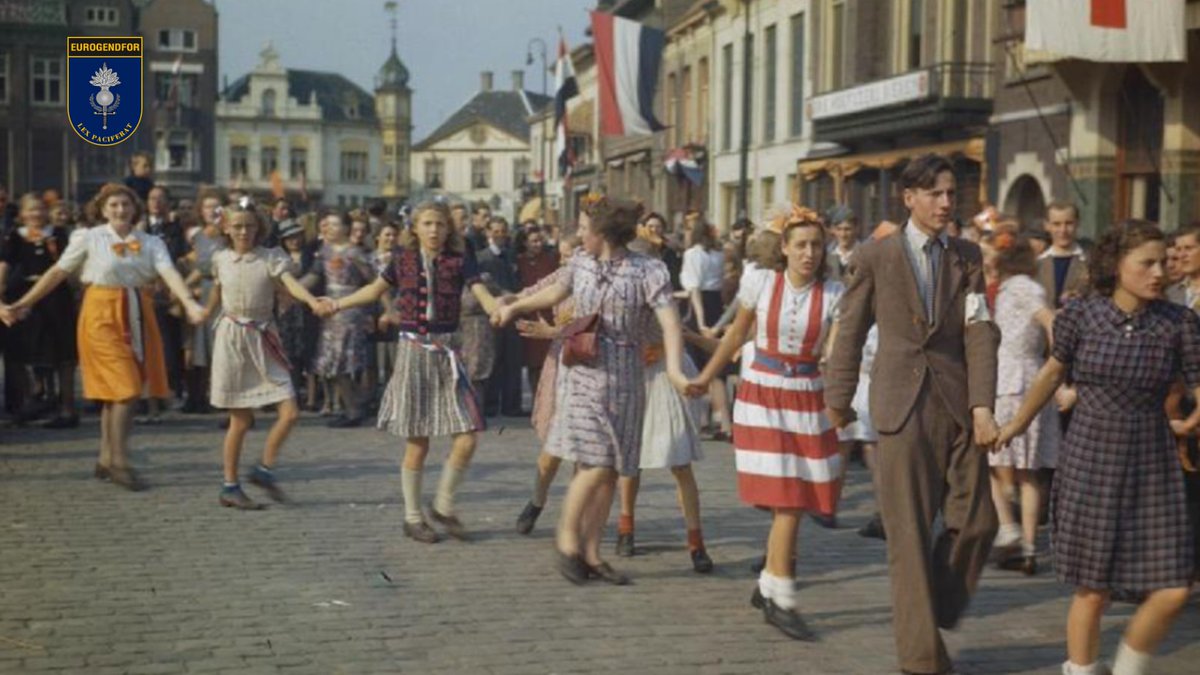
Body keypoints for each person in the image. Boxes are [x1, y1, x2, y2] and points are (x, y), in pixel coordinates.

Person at [825, 154, 1001, 675]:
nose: (947, 202)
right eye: (936, 194)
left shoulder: (966, 255)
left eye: (952, 193)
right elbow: (851, 332)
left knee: (979, 520)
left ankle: (941, 604)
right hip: (900, 406)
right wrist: (838, 401)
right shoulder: (875, 255)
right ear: (909, 198)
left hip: (958, 401)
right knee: (907, 534)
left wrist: (983, 405)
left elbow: (980, 333)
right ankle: (921, 659)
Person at [997, 220, 1197, 675]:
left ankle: (1127, 668)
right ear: (1116, 264)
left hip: (1153, 460)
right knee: (1093, 589)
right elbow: (1051, 374)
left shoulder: (1178, 323)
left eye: (1163, 262)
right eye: (1146, 263)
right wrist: (1016, 424)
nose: (1158, 272)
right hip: (1091, 456)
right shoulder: (1080, 315)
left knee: (1172, 588)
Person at [494, 195, 687, 586]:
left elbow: (669, 323)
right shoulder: (580, 262)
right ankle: (567, 539)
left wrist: (675, 369)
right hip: (583, 371)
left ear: (602, 234)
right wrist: (515, 307)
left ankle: (592, 552)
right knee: (594, 462)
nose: (579, 235)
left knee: (608, 470)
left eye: (585, 229)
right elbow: (552, 294)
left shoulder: (649, 270)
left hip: (627, 378)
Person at [687, 206, 844, 639]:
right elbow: (736, 337)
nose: (809, 253)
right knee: (789, 498)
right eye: (801, 245)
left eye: (816, 245)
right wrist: (704, 377)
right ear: (785, 249)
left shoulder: (833, 293)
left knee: (793, 498)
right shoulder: (762, 282)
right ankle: (782, 597)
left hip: (806, 397)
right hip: (762, 393)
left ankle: (767, 585)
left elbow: (835, 352)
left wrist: (840, 398)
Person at [0, 183, 205, 490]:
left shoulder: (150, 242)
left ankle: (106, 458)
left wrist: (189, 303)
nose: (120, 210)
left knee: (117, 391)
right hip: (100, 314)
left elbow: (169, 273)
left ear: (135, 208)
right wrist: (23, 303)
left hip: (137, 311)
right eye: (113, 206)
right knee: (126, 389)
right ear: (103, 209)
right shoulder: (89, 237)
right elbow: (58, 272)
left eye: (125, 204)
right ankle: (121, 463)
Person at [327, 201, 500, 543]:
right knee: (418, 440)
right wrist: (336, 303)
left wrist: (497, 309)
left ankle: (444, 506)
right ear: (416, 228)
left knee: (467, 436)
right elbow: (375, 291)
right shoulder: (402, 260)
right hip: (414, 352)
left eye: (440, 223)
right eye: (427, 223)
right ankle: (412, 517)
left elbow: (480, 292)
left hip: (448, 352)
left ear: (448, 228)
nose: (434, 230)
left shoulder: (460, 260)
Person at [204, 202, 325, 510]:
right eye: (238, 226)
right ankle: (230, 486)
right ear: (227, 229)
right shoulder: (220, 259)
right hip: (232, 338)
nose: (244, 231)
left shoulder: (271, 258)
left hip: (264, 336)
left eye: (250, 226)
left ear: (259, 228)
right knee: (240, 419)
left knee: (290, 411)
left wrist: (312, 301)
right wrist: (203, 312)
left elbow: (290, 284)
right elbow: (217, 291)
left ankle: (264, 469)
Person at [989, 234, 1059, 575]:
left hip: (1009, 379)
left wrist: (1061, 360)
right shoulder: (1028, 287)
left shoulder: (1019, 288)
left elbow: (1049, 320)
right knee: (1028, 471)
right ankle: (1028, 547)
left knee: (993, 455)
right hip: (1032, 377)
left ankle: (1008, 525)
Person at [0, 194, 78, 427]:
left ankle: (67, 408)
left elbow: (68, 265)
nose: (36, 214)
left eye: (41, 209)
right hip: (24, 296)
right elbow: (5, 263)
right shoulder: (14, 237)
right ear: (22, 214)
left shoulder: (58, 234)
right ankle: (30, 402)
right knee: (23, 351)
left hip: (57, 297)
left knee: (63, 352)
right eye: (31, 210)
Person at [311, 211, 374, 428]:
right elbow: (314, 276)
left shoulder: (354, 253)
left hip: (350, 311)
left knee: (344, 363)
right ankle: (352, 406)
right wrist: (291, 288)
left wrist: (383, 310)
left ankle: (355, 408)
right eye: (327, 224)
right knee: (334, 363)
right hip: (329, 311)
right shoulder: (325, 251)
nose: (328, 228)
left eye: (334, 224)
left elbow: (375, 282)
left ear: (346, 228)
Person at [681, 219, 731, 442]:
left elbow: (694, 289)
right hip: (716, 305)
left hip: (700, 307)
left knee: (697, 366)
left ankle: (700, 420)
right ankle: (724, 422)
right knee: (716, 367)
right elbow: (716, 286)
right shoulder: (718, 255)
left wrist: (700, 322)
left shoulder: (693, 254)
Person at [181, 189, 227, 414]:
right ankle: (202, 396)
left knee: (223, 346)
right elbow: (200, 268)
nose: (212, 211)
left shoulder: (229, 234)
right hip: (205, 291)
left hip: (226, 292)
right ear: (201, 210)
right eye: (208, 206)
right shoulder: (199, 237)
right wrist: (182, 289)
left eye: (217, 206)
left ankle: (224, 398)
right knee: (204, 347)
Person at [476, 216, 524, 417]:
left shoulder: (511, 255)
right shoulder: (481, 258)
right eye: (495, 231)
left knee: (513, 361)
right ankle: (489, 405)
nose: (500, 235)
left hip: (514, 314)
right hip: (493, 313)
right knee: (492, 360)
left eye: (503, 231)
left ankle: (512, 405)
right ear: (487, 233)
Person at [275, 219, 321, 409]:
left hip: (308, 310)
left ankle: (311, 398)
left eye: (296, 236)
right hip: (285, 312)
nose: (293, 240)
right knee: (289, 355)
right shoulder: (278, 258)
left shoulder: (311, 256)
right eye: (289, 238)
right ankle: (292, 397)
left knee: (309, 355)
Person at [516, 226, 559, 401]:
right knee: (532, 362)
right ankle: (536, 398)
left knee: (547, 359)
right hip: (527, 313)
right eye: (533, 241)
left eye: (540, 240)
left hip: (548, 314)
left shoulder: (550, 260)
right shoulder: (519, 261)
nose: (537, 244)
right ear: (525, 243)